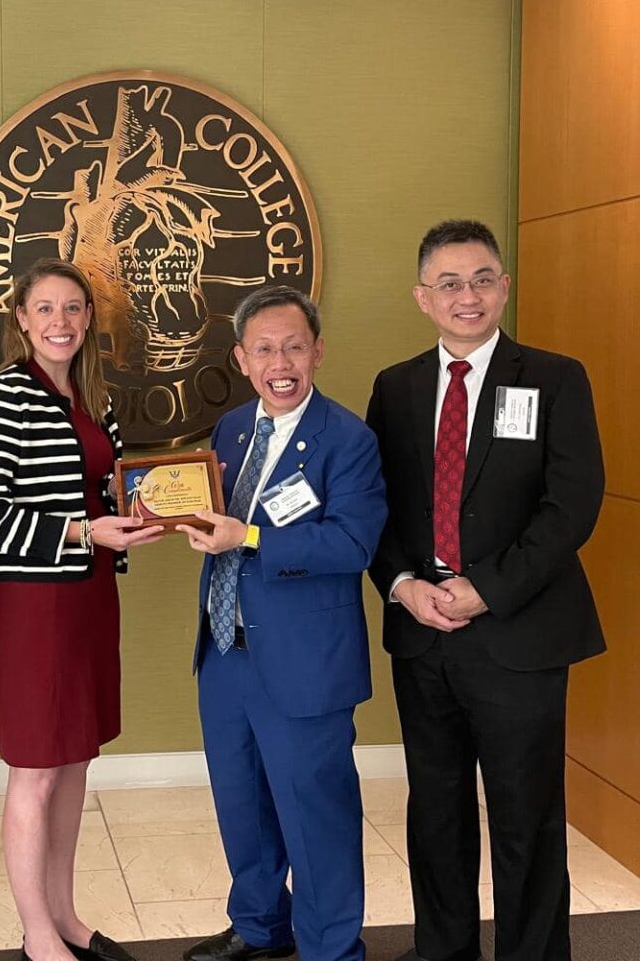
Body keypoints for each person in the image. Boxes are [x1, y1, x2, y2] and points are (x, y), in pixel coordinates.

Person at [364, 219, 606, 961]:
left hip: (518, 632)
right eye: (449, 283)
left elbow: (572, 506)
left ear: (503, 287)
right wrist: (403, 586)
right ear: (423, 297)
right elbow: (375, 506)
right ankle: (443, 950)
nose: (465, 295)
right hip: (423, 632)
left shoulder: (555, 379)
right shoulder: (396, 388)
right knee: (436, 811)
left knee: (525, 817)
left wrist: (486, 590)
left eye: (480, 280)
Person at [0, 258, 162, 961]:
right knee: (37, 769)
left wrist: (145, 513)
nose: (60, 322)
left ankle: (66, 915)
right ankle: (37, 934)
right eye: (44, 308)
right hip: (34, 606)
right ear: (21, 319)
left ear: (88, 317)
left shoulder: (92, 397)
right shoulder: (2, 398)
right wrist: (83, 532)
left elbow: (105, 493)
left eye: (73, 308)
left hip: (90, 598)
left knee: (76, 760)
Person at [176, 285, 387, 961]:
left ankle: (331, 949)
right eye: (264, 349)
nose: (281, 363)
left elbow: (352, 543)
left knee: (315, 814)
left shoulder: (348, 439)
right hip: (225, 650)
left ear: (318, 351)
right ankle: (261, 927)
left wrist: (249, 537)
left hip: (305, 661)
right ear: (241, 359)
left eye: (294, 347)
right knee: (242, 804)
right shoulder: (231, 429)